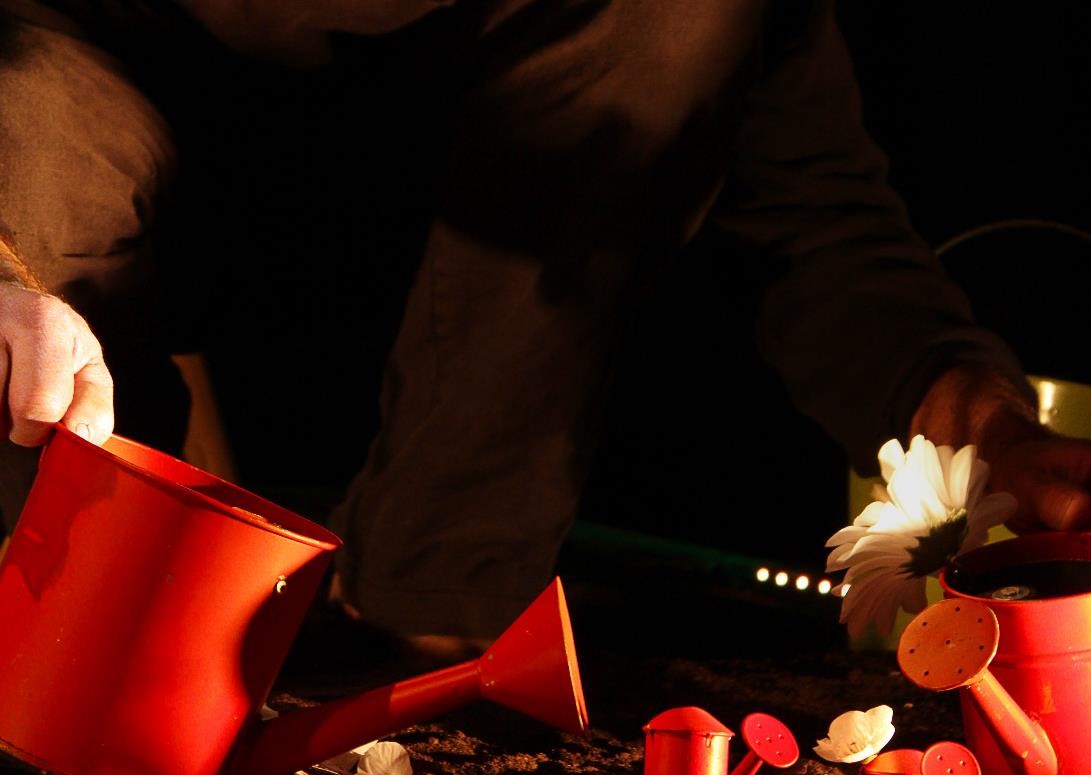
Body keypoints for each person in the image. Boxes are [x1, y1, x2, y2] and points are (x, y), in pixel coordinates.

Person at [2, 0, 1090, 661]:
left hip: (441, 291)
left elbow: (819, 223)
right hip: (91, 184)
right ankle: (54, 627)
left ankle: (424, 639)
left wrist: (994, 445)